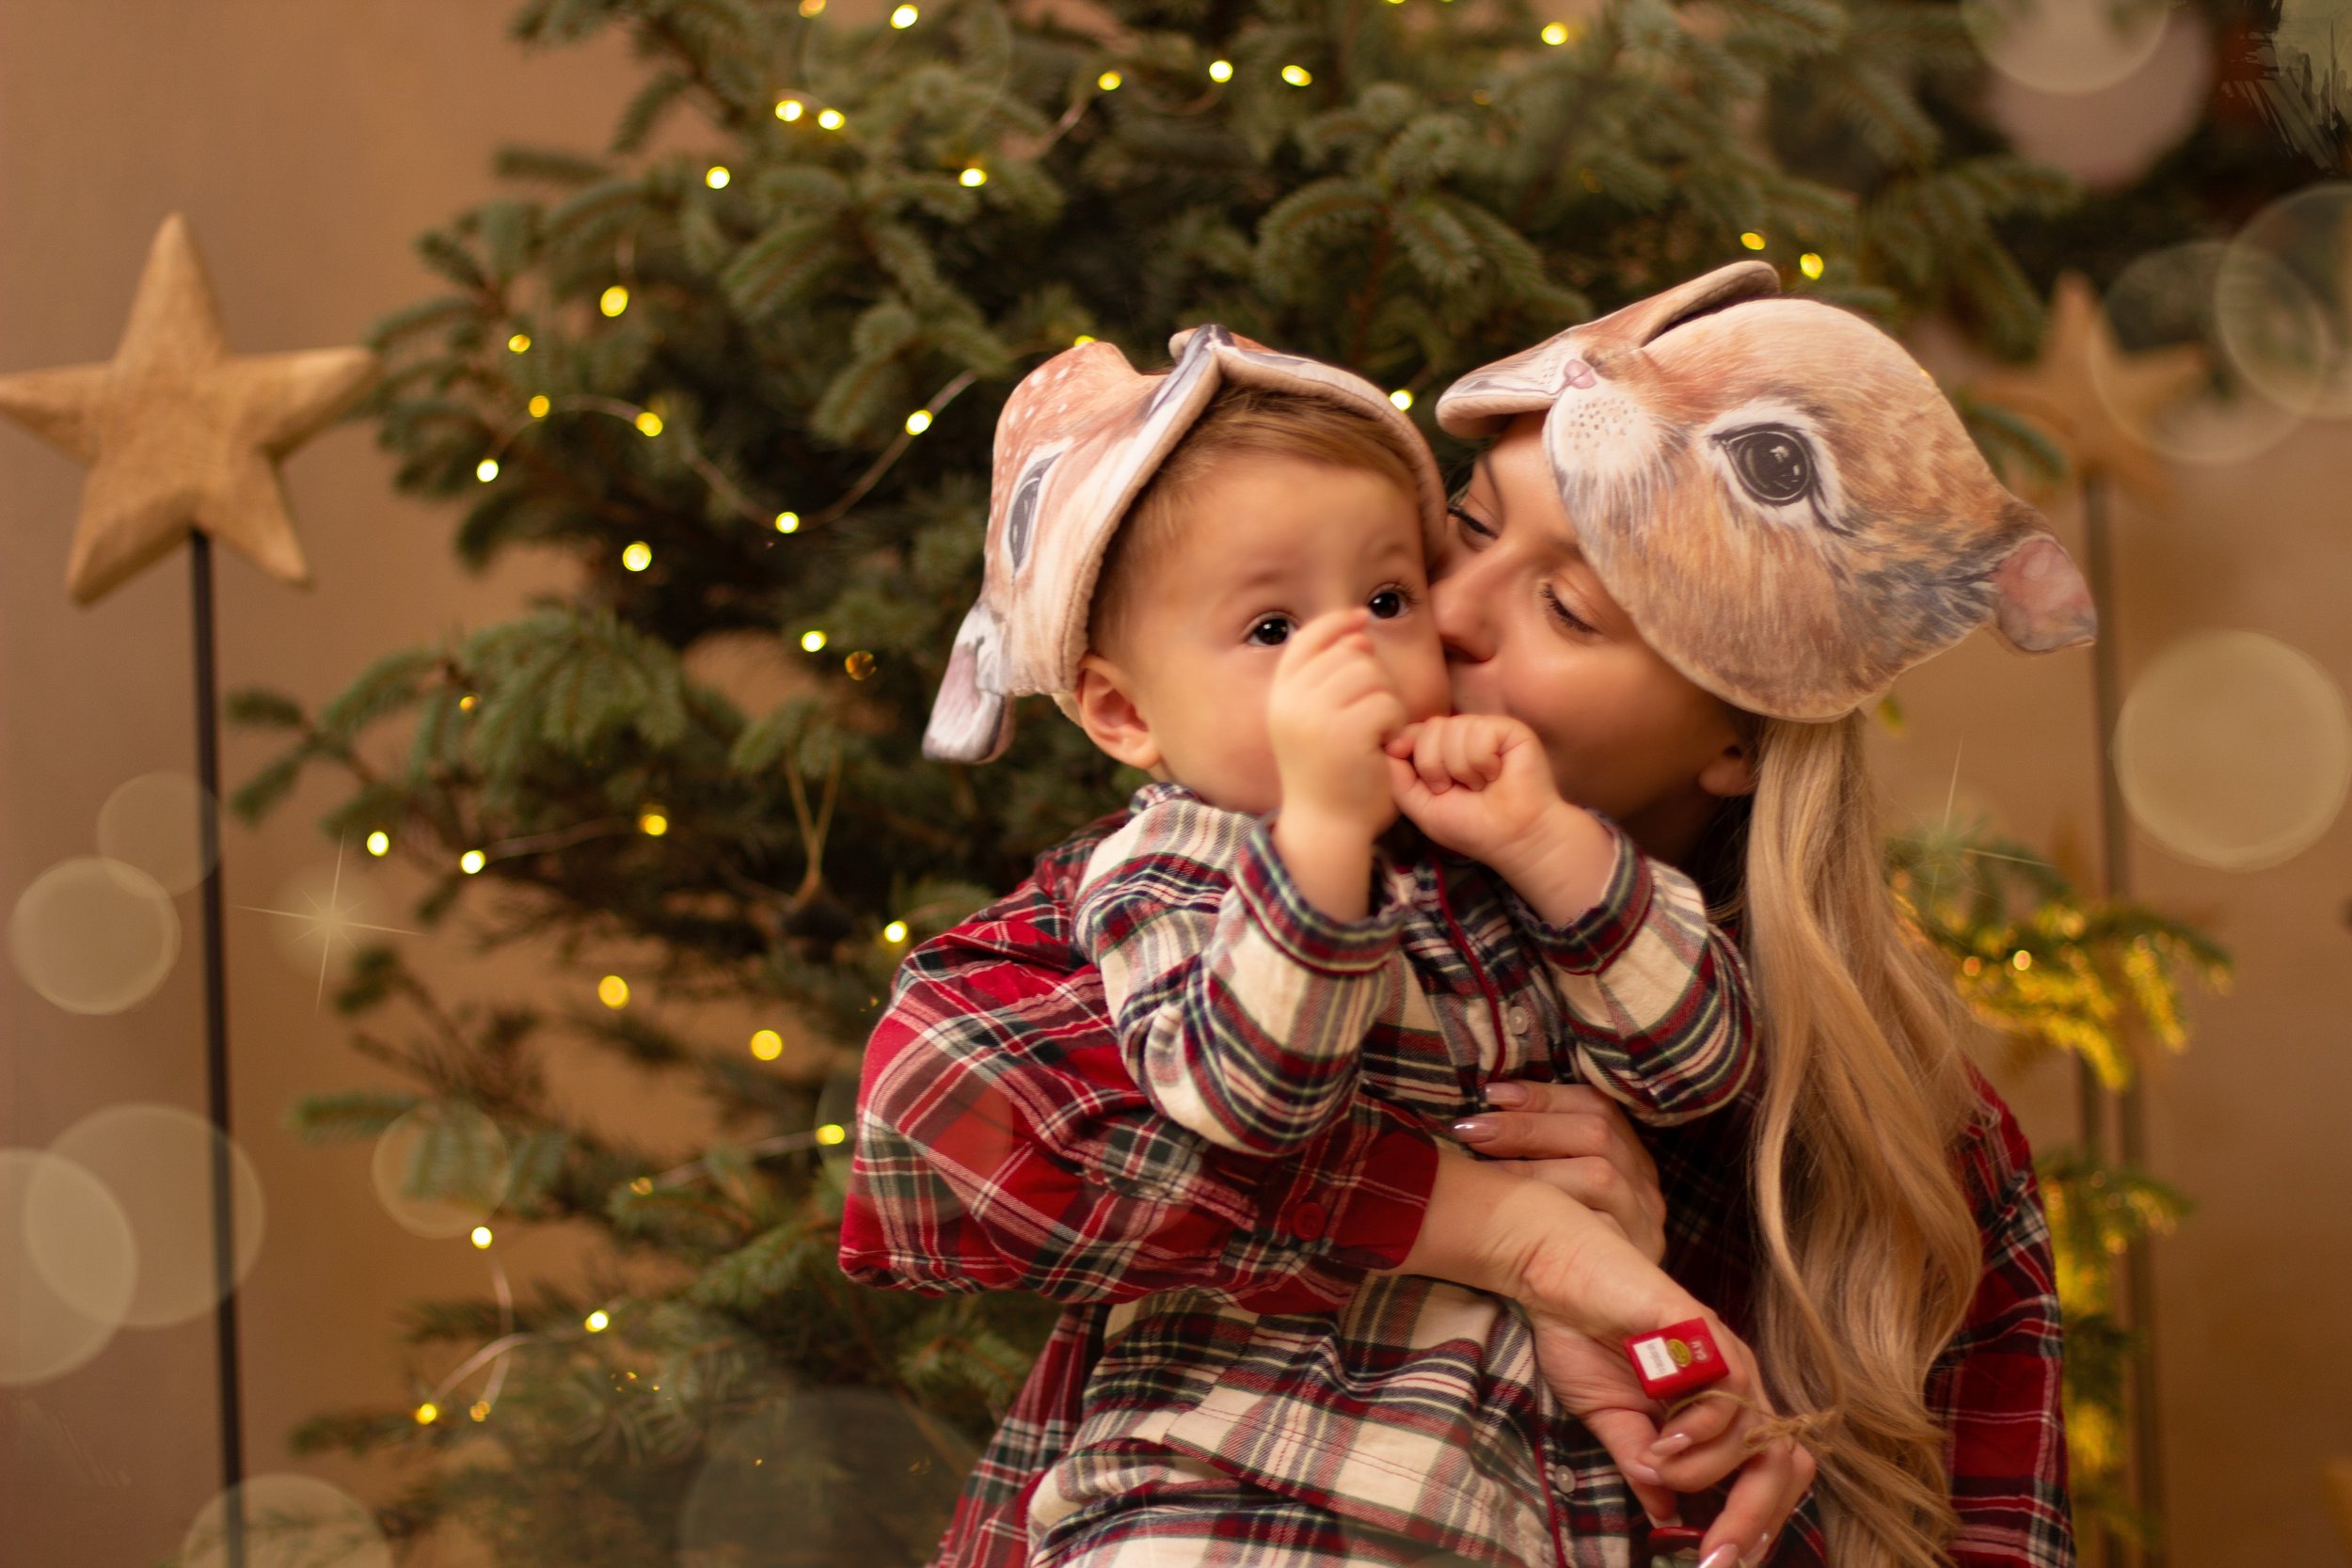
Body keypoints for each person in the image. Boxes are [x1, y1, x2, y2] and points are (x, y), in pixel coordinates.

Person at [843, 261, 2082, 1568]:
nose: (1445, 617)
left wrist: (1671, 1367)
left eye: (1568, 606)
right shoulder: (1205, 864)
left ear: (1736, 738)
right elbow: (938, 1124)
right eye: (1471, 529)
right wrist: (1509, 1232)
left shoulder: (1923, 1154)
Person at [911, 321, 1777, 1568]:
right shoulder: (1173, 864)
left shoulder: (1481, 846)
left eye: (1384, 598)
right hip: (1226, 1507)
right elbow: (1252, 1097)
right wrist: (1318, 833)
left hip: (1502, 1516)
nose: (1357, 651)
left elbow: (1697, 1066)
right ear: (1121, 710)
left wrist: (1549, 846)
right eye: (1272, 628)